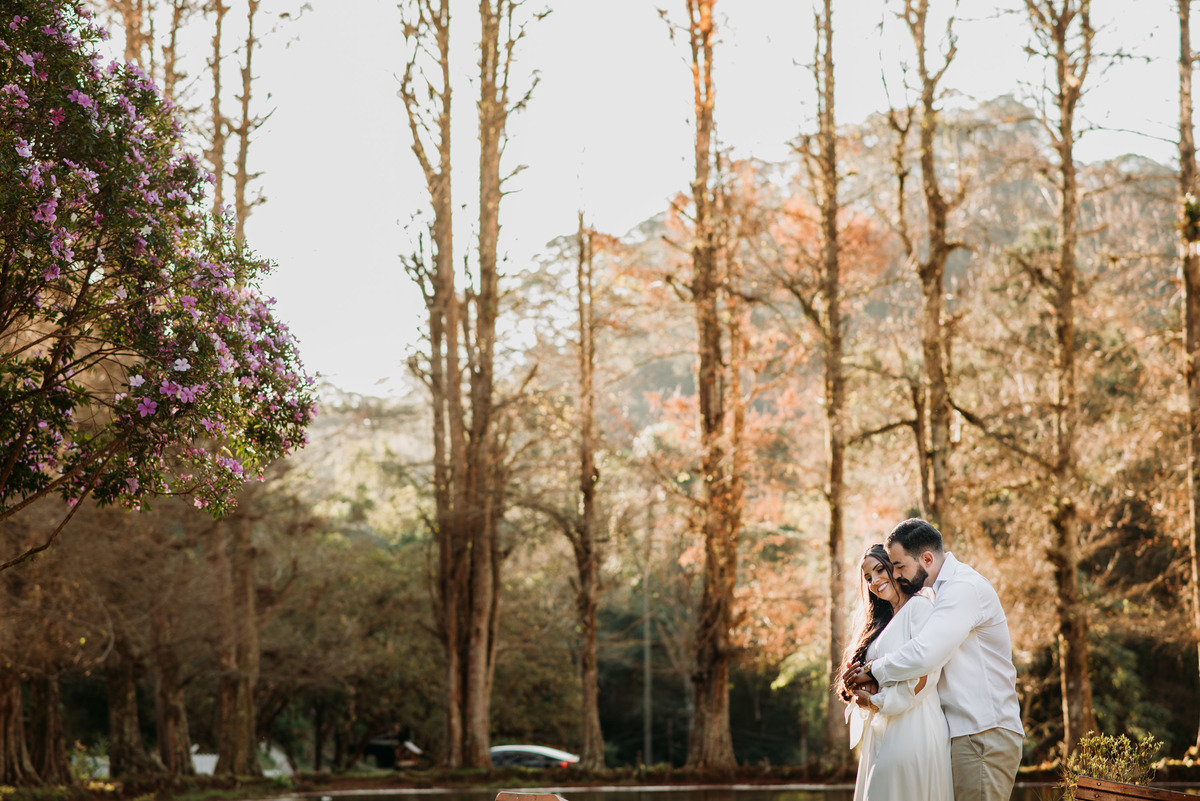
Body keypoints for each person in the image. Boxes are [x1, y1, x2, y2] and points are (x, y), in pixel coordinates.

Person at [847, 519, 1024, 801]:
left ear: (927, 558)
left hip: (982, 732)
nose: (895, 574)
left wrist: (872, 671)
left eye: (899, 566)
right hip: (960, 732)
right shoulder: (938, 595)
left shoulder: (963, 588)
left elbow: (924, 655)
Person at [839, 543, 953, 801]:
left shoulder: (920, 607)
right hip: (882, 730)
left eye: (880, 570)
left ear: (896, 568)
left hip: (914, 726)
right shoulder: (882, 624)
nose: (874, 581)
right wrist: (858, 686)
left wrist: (877, 701)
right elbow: (882, 674)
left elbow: (925, 672)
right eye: (868, 578)